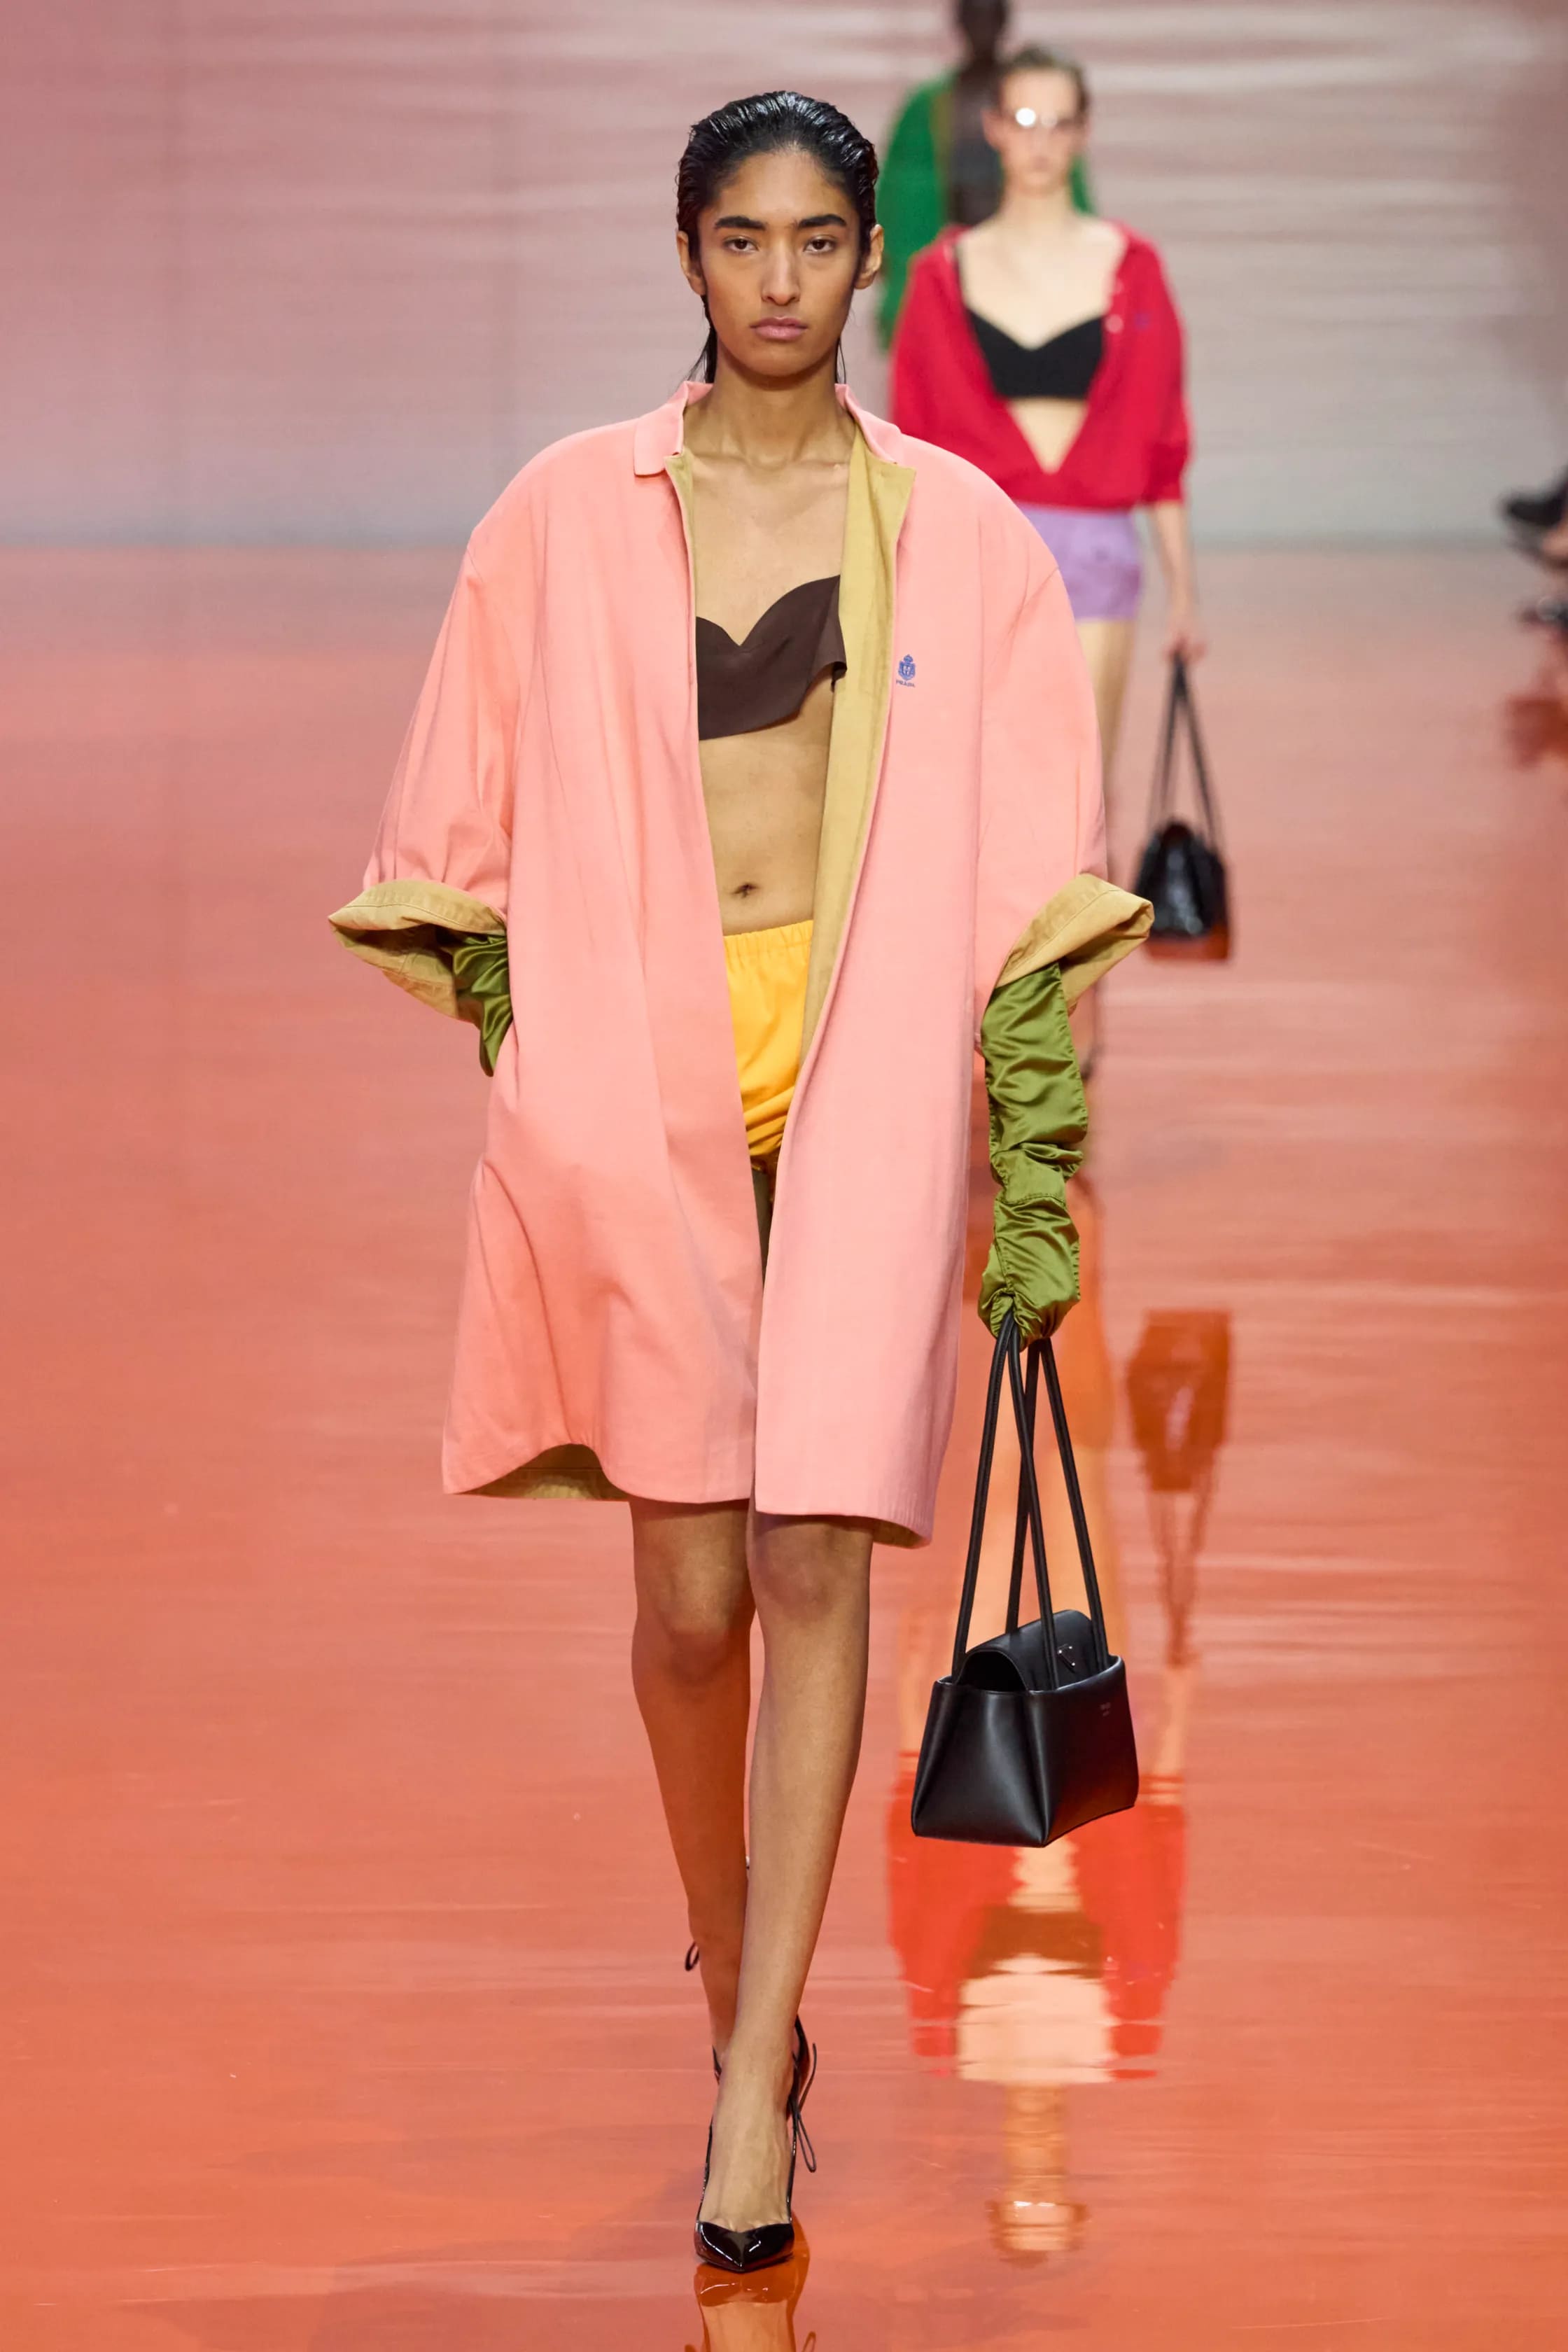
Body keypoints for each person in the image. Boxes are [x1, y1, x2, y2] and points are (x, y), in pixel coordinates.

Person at [329, 89, 1149, 2274]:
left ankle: (750, 2087)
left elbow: (1028, 882)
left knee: (810, 1561)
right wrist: (539, 1036)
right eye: (738, 239)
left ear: (868, 254)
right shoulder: (561, 513)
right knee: (688, 1597)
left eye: (815, 239)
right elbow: (456, 821)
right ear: (685, 252)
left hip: (864, 1081)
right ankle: (739, 2003)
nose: (779, 279)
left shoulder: (957, 536)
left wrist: (1031, 1171)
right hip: (644, 1091)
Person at [889, 46, 1201, 784]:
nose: (1040, 142)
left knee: (1081, 788)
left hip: (1095, 549)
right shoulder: (939, 278)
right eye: (1025, 120)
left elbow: (1164, 443)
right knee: (979, 793)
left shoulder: (1133, 269)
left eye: (1059, 123)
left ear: (1083, 133)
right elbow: (910, 452)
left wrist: (1184, 595)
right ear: (994, 127)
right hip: (976, 551)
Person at [877, 0, 1093, 349]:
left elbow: (1067, 188)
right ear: (959, 23)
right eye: (974, 18)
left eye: (990, 18)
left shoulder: (1036, 105)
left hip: (1027, 275)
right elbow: (900, 202)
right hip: (947, 276)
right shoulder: (927, 108)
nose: (982, 30)